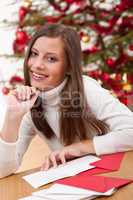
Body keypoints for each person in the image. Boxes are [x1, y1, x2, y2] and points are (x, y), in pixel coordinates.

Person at [0, 23, 133, 178]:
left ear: (69, 66)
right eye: (34, 54)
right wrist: (12, 118)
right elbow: (3, 171)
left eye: (51, 59)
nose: (37, 65)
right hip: (77, 181)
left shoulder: (87, 89)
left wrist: (81, 147)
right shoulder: (29, 104)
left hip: (116, 173)